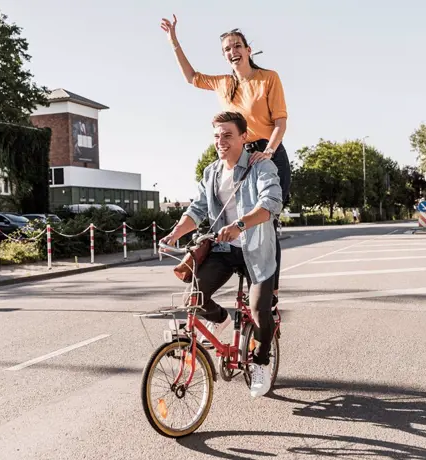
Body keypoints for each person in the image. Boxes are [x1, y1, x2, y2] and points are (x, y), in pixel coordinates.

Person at [160, 16, 289, 306]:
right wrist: (174, 42)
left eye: (237, 46)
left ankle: (272, 293)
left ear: (248, 49)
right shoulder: (223, 84)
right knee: (220, 205)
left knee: (268, 221)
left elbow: (280, 121)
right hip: (236, 150)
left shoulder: (268, 78)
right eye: (227, 49)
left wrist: (267, 151)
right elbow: (191, 77)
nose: (233, 51)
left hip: (268, 152)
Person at [161, 111, 283, 398]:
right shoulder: (212, 172)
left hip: (256, 251)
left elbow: (271, 204)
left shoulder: (261, 167)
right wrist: (175, 233)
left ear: (244, 137)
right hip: (224, 249)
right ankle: (220, 319)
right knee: (194, 298)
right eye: (217, 135)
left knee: (258, 311)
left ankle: (262, 363)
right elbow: (197, 210)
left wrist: (240, 225)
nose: (221, 141)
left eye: (227, 134)